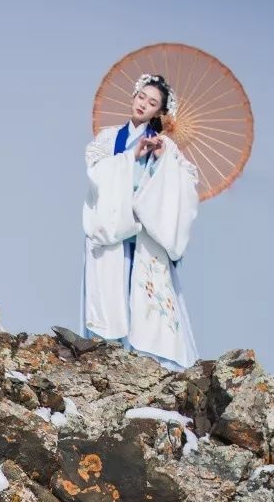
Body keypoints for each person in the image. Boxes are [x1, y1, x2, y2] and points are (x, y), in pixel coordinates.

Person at [79, 73, 199, 369]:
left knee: (146, 295)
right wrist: (130, 157)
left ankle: (149, 360)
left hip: (145, 235)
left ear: (160, 112)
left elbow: (187, 183)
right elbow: (96, 174)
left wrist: (162, 161)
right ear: (133, 97)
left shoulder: (166, 146)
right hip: (113, 229)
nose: (144, 104)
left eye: (152, 102)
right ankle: (107, 355)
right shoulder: (108, 138)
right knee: (109, 292)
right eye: (141, 97)